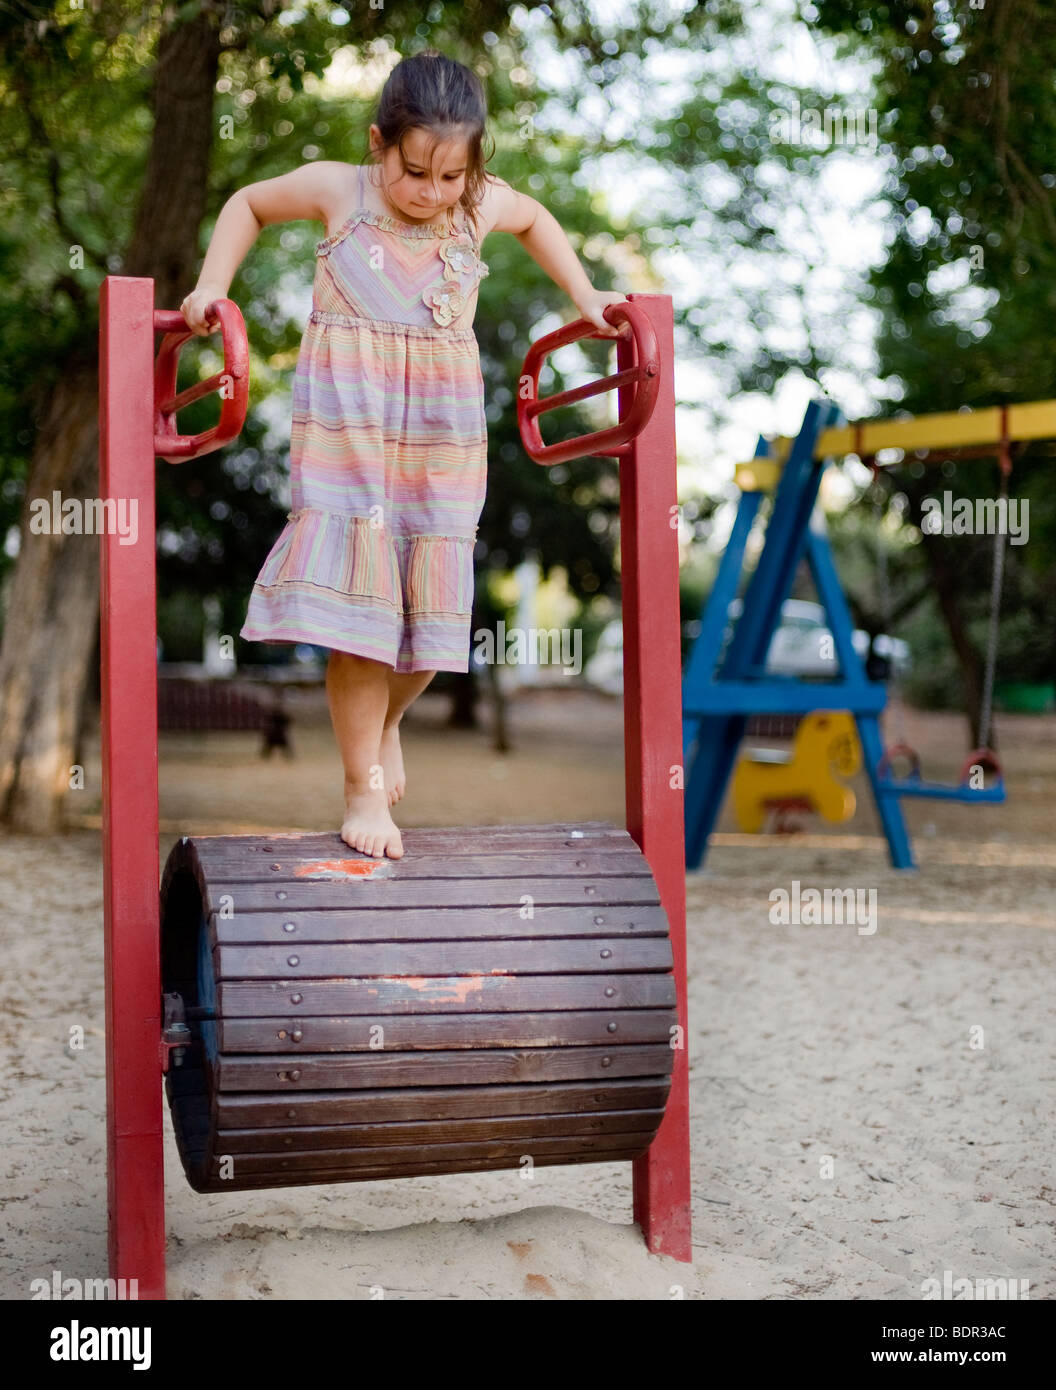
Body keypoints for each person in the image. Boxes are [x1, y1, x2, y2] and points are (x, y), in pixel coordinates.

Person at [180, 50, 629, 859]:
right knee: (361, 610)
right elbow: (247, 202)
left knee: (432, 604)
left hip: (442, 431)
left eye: (451, 177)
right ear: (378, 142)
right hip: (349, 424)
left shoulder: (480, 205)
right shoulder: (337, 189)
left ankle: (387, 722)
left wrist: (587, 297)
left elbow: (536, 220)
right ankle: (362, 789)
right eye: (415, 171)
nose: (431, 192)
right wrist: (214, 285)